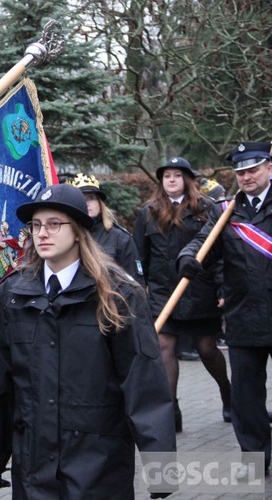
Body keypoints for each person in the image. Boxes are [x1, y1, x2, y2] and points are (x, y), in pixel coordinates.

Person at [0, 183, 175, 498]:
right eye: (36, 225)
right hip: (35, 467)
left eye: (54, 224)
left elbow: (144, 383)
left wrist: (161, 469)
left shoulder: (117, 294)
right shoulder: (13, 295)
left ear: (79, 230)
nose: (42, 233)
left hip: (98, 463)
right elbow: (1, 384)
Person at [178, 141, 272, 475]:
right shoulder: (226, 211)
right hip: (243, 315)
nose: (246, 177)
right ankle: (255, 458)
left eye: (253, 170)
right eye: (241, 172)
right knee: (246, 398)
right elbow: (202, 242)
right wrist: (188, 257)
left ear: (269, 168)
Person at [133, 157, 231, 432]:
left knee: (207, 349)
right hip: (163, 293)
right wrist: (140, 287)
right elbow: (139, 255)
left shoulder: (206, 208)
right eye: (167, 176)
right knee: (165, 348)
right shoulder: (148, 212)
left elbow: (220, 252)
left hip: (198, 291)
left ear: (187, 179)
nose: (171, 180)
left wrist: (222, 287)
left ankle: (228, 394)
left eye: (177, 175)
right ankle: (170, 409)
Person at [68, 173, 145, 286]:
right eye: (81, 198)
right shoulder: (66, 237)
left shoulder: (120, 238)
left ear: (100, 203)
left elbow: (135, 283)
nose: (86, 203)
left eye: (91, 198)